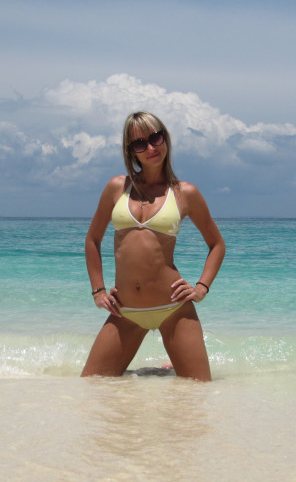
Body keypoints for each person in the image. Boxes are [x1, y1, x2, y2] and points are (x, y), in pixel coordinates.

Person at [81, 111, 225, 381]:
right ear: (130, 151)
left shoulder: (185, 193)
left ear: (165, 139)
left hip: (174, 309)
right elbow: (92, 240)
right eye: (139, 143)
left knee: (197, 393)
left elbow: (217, 244)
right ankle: (163, 371)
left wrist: (201, 288)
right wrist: (98, 291)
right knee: (92, 387)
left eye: (155, 138)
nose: (150, 148)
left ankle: (168, 368)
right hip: (126, 312)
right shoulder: (117, 188)